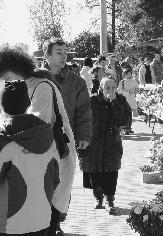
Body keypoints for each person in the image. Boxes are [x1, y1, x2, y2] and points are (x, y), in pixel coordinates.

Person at [0, 45, 77, 236]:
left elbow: (35, 129)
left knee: (47, 220)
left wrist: (7, 134)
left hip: (49, 164)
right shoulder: (35, 83)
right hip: (44, 167)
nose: (7, 83)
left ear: (17, 70)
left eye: (7, 78)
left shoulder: (40, 86)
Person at [43, 37, 92, 235]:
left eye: (65, 52)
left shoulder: (76, 82)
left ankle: (56, 224)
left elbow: (84, 112)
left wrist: (84, 135)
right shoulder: (36, 79)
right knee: (42, 183)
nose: (64, 56)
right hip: (40, 142)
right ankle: (43, 223)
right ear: (47, 55)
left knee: (63, 184)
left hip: (65, 141)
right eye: (58, 52)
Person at [0, 80, 59, 236]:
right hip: (42, 218)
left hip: (10, 223)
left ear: (2, 105)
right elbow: (55, 178)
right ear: (28, 103)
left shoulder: (4, 141)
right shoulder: (47, 136)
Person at [80, 77, 131, 214]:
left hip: (112, 143)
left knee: (111, 171)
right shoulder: (93, 101)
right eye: (107, 88)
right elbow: (82, 118)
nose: (111, 90)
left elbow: (125, 120)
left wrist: (114, 103)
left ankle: (110, 199)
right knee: (94, 171)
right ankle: (98, 197)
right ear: (101, 89)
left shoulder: (120, 101)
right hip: (94, 142)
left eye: (113, 87)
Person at [117, 70, 137, 134]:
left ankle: (129, 128)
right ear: (124, 75)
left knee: (130, 115)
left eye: (129, 74)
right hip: (124, 100)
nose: (128, 75)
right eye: (127, 74)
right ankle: (125, 129)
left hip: (132, 100)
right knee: (125, 114)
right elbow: (119, 91)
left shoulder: (134, 81)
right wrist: (127, 92)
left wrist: (134, 91)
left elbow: (137, 89)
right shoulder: (122, 82)